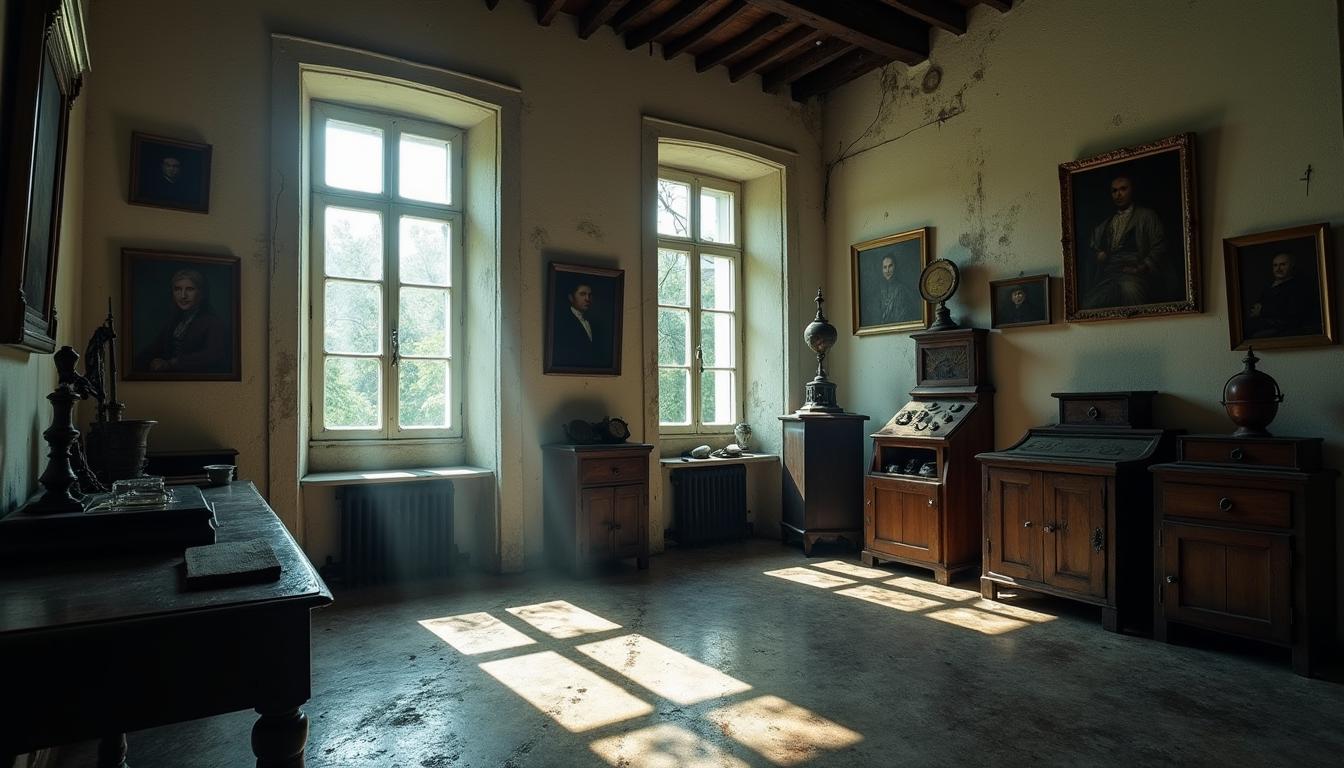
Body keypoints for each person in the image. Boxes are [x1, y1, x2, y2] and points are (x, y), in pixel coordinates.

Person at [1082, 175, 1168, 309]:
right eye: (1114, 191)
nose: (1118, 194)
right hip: (1110, 275)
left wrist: (1142, 267)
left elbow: (1159, 246)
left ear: (1132, 190)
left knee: (1130, 293)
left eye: (1123, 189)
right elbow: (1092, 248)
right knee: (1089, 304)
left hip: (1135, 275)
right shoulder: (1106, 224)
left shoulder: (1146, 216)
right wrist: (1098, 255)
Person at [136, 268, 229, 374]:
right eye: (177, 289)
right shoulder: (174, 322)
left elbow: (212, 356)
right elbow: (154, 347)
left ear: (202, 294)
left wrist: (171, 364)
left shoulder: (213, 323)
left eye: (190, 289)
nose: (183, 296)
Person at [1247, 252, 1319, 338]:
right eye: (1275, 265)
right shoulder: (1268, 287)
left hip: (1285, 330)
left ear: (1292, 266)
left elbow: (1294, 313)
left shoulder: (1298, 287)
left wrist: (1263, 310)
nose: (1278, 269)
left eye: (1283, 265)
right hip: (1264, 325)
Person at [551, 280, 610, 369]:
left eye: (590, 295)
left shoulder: (596, 324)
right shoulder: (562, 322)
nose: (587, 298)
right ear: (571, 297)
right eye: (582, 294)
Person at [870, 253, 918, 325]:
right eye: (885, 267)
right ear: (882, 270)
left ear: (895, 267)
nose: (887, 270)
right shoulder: (878, 292)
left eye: (890, 266)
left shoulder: (903, 289)